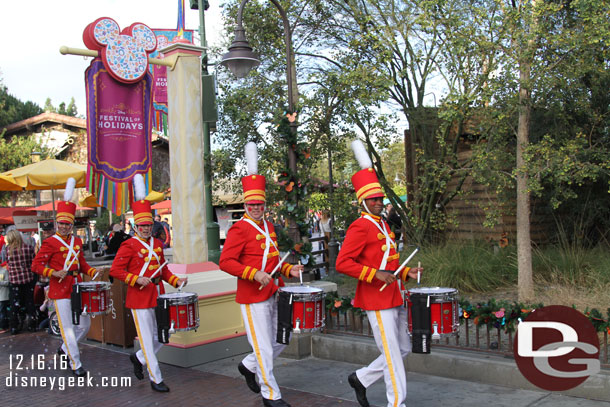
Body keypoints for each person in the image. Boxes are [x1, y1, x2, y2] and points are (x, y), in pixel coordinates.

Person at [336, 140, 422, 407]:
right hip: (376, 297)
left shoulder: (383, 224)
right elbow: (343, 263)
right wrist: (375, 275)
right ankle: (397, 403)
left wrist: (406, 272)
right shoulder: (360, 226)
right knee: (393, 354)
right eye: (373, 199)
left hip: (394, 294)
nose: (378, 202)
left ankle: (361, 378)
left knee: (403, 349)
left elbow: (389, 262)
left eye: (380, 198)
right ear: (363, 200)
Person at [219, 142, 304, 407]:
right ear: (246, 203)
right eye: (252, 204)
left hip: (273, 291)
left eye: (260, 203)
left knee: (283, 338)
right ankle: (270, 394)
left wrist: (289, 269)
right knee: (265, 346)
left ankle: (248, 365)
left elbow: (273, 260)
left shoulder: (268, 225)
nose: (256, 207)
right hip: (252, 296)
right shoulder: (238, 229)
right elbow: (225, 261)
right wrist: (253, 274)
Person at [110, 175, 187, 393]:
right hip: (139, 297)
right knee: (146, 338)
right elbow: (116, 271)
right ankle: (156, 378)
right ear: (135, 225)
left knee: (163, 335)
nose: (145, 228)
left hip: (157, 294)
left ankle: (139, 358)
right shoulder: (128, 245)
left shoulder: (158, 243)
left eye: (148, 225)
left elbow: (162, 269)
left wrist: (176, 281)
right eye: (142, 225)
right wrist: (136, 279)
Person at [31, 178, 98, 377]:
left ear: (71, 224)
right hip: (59, 290)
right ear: (56, 223)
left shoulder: (77, 241)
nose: (64, 226)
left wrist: (94, 273)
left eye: (67, 224)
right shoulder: (50, 242)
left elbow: (82, 264)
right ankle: (76, 363)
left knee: (84, 326)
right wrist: (53, 273)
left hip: (77, 287)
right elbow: (36, 265)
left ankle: (64, 349)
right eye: (61, 223)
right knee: (68, 328)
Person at [5, 229, 37, 334]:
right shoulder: (28, 248)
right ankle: (32, 325)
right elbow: (33, 263)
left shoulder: (7, 250)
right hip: (28, 279)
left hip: (14, 281)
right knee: (29, 303)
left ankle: (14, 326)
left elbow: (7, 265)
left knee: (14, 304)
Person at [0, 262, 9, 331]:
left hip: (3, 295)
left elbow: (8, 282)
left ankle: (3, 327)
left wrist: (1, 282)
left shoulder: (4, 271)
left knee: (2, 311)